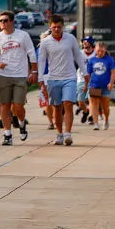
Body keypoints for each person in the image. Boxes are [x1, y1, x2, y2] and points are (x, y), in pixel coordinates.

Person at [36, 15, 87, 146]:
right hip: (53, 78)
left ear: (63, 26)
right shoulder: (45, 42)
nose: (57, 29)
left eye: (59, 27)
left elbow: (78, 56)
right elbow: (41, 61)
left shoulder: (70, 39)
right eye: (54, 27)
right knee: (56, 108)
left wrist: (85, 72)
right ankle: (59, 134)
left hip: (69, 77)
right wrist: (40, 78)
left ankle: (67, 134)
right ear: (50, 27)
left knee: (68, 104)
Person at [0, 11, 38, 145]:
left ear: (11, 22)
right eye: (0, 21)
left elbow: (31, 54)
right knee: (4, 105)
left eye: (5, 20)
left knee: (18, 106)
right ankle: (7, 134)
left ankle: (21, 123)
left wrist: (34, 71)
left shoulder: (23, 35)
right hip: (4, 75)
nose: (2, 23)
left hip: (20, 75)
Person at [86, 42, 115, 130]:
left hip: (105, 86)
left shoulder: (109, 59)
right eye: (98, 51)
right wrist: (86, 85)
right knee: (94, 104)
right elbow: (88, 73)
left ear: (105, 50)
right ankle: (96, 123)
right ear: (95, 50)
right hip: (94, 85)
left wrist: (111, 83)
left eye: (102, 51)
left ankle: (106, 119)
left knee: (105, 106)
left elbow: (113, 72)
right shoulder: (91, 60)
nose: (100, 53)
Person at [76, 37, 95, 125]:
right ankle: (85, 111)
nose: (84, 43)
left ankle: (91, 116)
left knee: (91, 98)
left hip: (93, 80)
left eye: (86, 42)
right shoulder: (79, 53)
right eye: (83, 42)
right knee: (80, 101)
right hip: (81, 78)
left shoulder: (95, 53)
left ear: (91, 43)